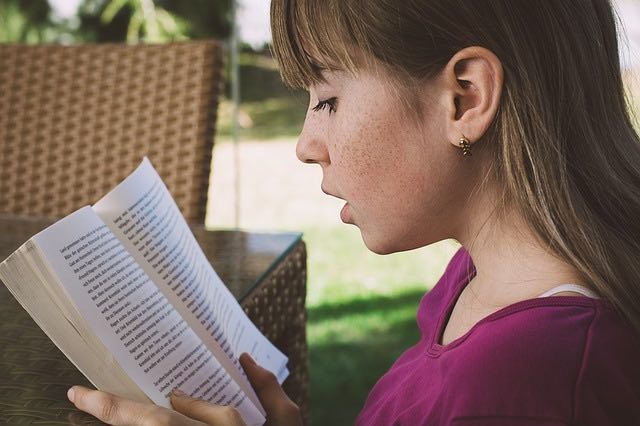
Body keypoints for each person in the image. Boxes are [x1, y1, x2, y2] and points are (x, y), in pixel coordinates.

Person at [67, 0, 640, 424]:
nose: (305, 144)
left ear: (464, 98)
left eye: (328, 101)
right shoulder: (475, 277)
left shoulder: (527, 380)